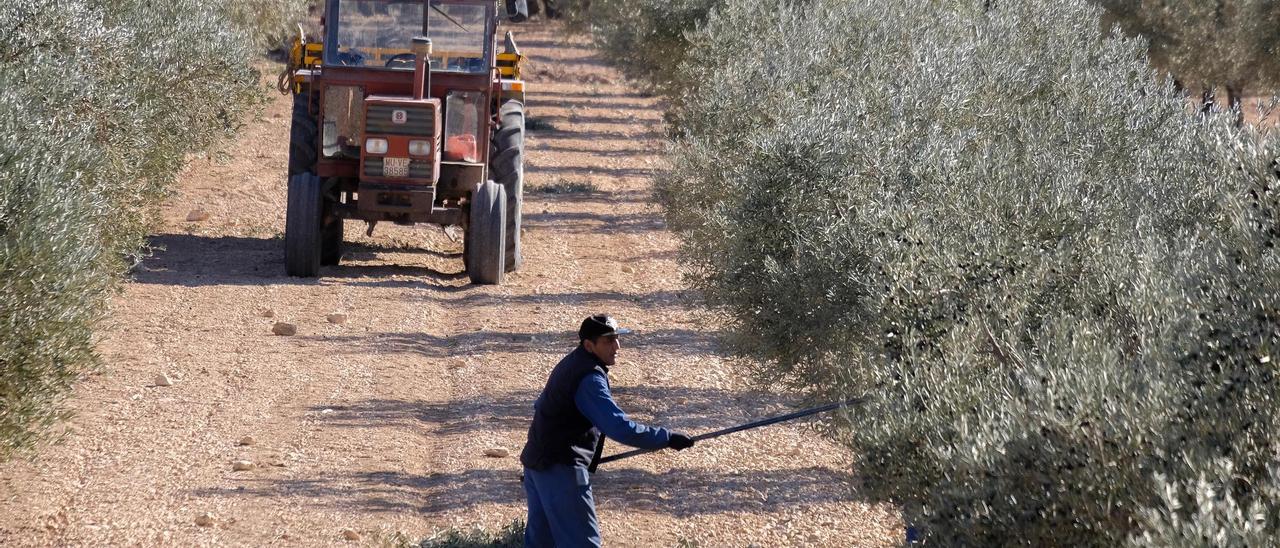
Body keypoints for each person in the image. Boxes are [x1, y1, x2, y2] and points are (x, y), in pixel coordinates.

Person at [520, 314, 695, 547]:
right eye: (609, 341)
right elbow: (618, 427)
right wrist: (666, 438)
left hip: (538, 466)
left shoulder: (572, 364)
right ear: (589, 345)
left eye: (617, 338)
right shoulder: (589, 377)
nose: (617, 346)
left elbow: (542, 407)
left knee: (542, 544)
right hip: (559, 471)